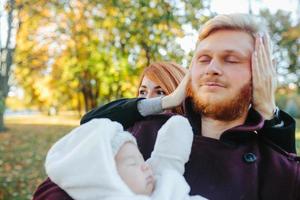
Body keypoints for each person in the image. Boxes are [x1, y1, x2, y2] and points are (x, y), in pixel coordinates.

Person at [33, 13, 299, 200]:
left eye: (231, 60)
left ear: (262, 74)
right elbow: (56, 187)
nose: (213, 69)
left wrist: (269, 111)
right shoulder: (142, 133)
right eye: (203, 59)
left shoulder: (277, 168)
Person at [40, 117, 207, 200]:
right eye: (133, 163)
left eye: (143, 160)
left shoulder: (165, 185)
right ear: (107, 176)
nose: (146, 167)